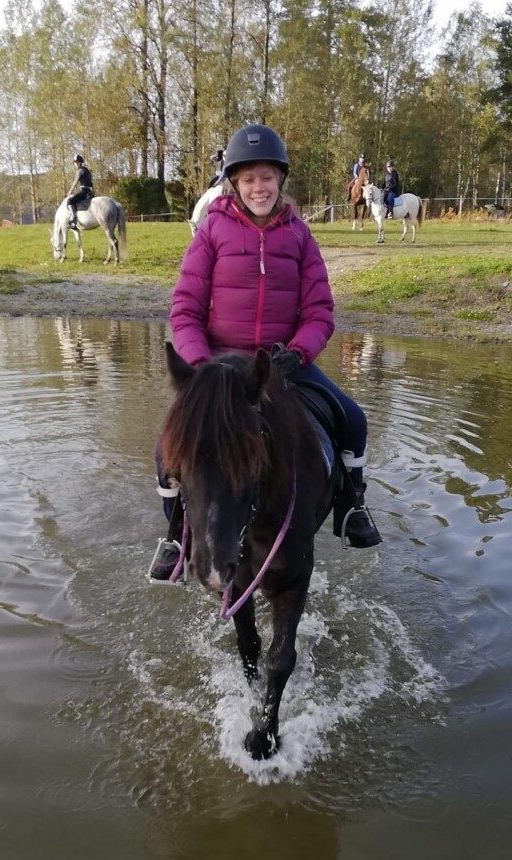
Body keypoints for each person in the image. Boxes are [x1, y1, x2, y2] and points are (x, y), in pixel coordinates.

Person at [150, 123, 382, 579]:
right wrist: (200, 368)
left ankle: (353, 507)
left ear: (280, 180)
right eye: (250, 178)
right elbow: (185, 310)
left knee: (353, 418)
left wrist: (297, 353)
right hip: (218, 366)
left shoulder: (299, 235)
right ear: (235, 183)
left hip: (283, 365)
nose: (260, 187)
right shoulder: (211, 231)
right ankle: (178, 533)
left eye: (268, 177)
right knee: (165, 451)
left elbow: (320, 310)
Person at [66, 154, 94, 229]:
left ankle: (73, 220)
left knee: (69, 201)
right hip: (90, 191)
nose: (74, 164)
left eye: (75, 162)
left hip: (84, 191)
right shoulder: (87, 170)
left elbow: (75, 182)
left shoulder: (80, 171)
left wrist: (70, 191)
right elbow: (91, 182)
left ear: (78, 163)